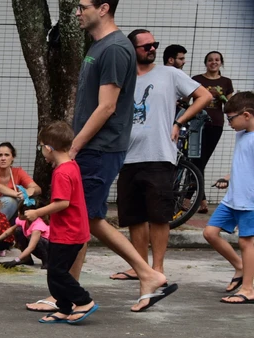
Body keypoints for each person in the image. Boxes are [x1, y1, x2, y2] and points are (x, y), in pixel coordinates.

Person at [63, 0, 175, 313]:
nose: (78, 13)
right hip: (95, 147)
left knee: (88, 217)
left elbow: (107, 107)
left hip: (99, 148)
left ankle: (147, 274)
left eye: (82, 7)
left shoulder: (113, 49)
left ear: (103, 9)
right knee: (82, 218)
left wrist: (74, 146)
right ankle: (68, 292)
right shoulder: (99, 46)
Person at [109, 29, 212, 281]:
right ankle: (139, 267)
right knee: (134, 216)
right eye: (145, 46)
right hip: (128, 156)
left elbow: (205, 96)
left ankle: (158, 268)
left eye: (153, 44)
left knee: (158, 215)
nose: (151, 49)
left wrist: (180, 121)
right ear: (132, 49)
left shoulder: (170, 74)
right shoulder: (123, 78)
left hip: (160, 155)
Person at [27, 121, 97, 324]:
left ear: (48, 148)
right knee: (57, 273)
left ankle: (83, 301)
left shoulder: (61, 173)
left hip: (68, 233)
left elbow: (62, 203)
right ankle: (64, 308)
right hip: (73, 231)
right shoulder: (71, 166)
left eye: (42, 147)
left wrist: (36, 213)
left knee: (57, 272)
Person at [203, 91, 254, 305]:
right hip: (232, 198)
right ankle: (240, 267)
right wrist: (228, 177)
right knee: (210, 233)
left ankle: (249, 289)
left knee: (246, 242)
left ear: (247, 115)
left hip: (249, 201)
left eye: (231, 118)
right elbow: (244, 165)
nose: (229, 123)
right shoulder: (241, 134)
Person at [192, 51, 235, 211]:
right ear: (206, 63)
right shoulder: (197, 79)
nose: (213, 62)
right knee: (195, 161)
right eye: (210, 60)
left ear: (221, 63)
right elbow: (186, 98)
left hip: (215, 124)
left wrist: (221, 96)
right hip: (196, 124)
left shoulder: (226, 82)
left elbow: (231, 106)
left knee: (200, 162)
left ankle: (192, 200)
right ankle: (201, 202)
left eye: (217, 60)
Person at [0, 142, 40, 221]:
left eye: (7, 155)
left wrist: (30, 191)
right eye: (0, 155)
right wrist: (18, 195)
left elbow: (38, 189)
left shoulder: (18, 171)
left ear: (13, 157)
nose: (3, 158)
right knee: (10, 201)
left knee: (29, 204)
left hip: (9, 215)